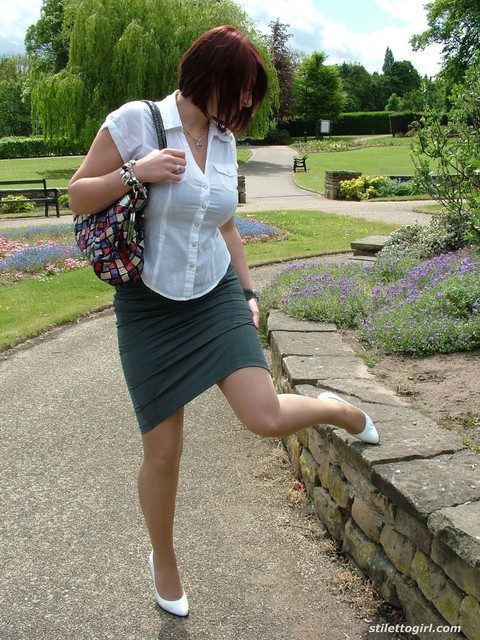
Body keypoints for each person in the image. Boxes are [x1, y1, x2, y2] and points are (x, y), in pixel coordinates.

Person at [68, 25, 379, 619]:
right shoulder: (134, 122)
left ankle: (339, 408)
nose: (242, 108)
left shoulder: (224, 139)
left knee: (263, 416)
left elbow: (225, 223)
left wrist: (248, 290)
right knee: (163, 448)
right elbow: (79, 194)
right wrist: (138, 172)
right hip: (148, 304)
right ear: (209, 78)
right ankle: (165, 563)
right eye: (238, 93)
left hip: (214, 295)